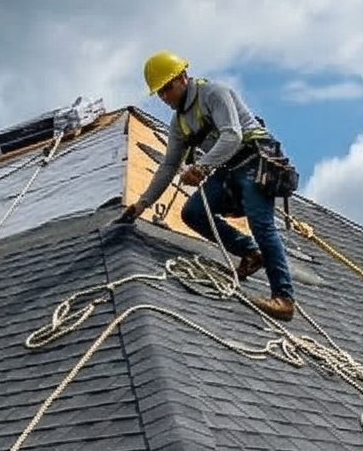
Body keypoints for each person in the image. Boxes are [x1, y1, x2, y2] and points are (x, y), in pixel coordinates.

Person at [118, 51, 295, 320]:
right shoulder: (179, 124)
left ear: (183, 78)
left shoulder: (214, 93)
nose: (165, 97)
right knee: (193, 212)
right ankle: (249, 252)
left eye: (168, 88)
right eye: (160, 93)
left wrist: (201, 167)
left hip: (254, 161)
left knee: (262, 224)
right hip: (227, 170)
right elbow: (168, 166)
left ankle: (283, 298)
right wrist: (142, 204)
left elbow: (233, 136)